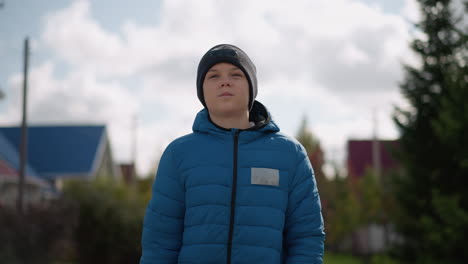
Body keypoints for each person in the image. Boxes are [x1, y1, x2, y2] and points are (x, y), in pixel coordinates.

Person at [140, 44, 325, 264]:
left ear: (252, 88)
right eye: (213, 75)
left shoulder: (291, 154)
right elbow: (159, 242)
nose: (225, 81)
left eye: (236, 74)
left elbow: (306, 238)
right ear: (202, 91)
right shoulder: (178, 154)